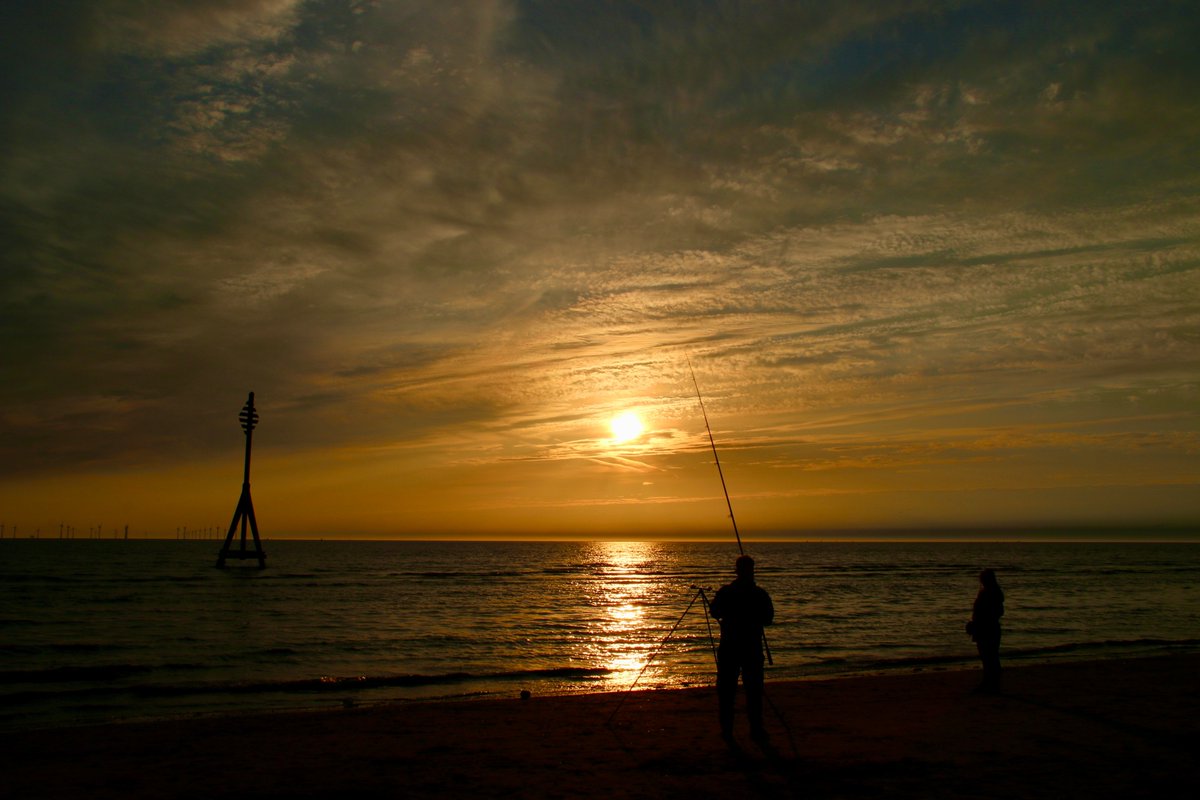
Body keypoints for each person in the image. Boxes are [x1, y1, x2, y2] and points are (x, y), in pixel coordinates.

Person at [708, 554, 774, 744]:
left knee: (727, 692)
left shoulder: (727, 592)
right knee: (753, 691)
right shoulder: (760, 594)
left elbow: (714, 612)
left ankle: (728, 731)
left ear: (737, 570)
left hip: (731, 648)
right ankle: (755, 729)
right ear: (752, 571)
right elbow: (768, 619)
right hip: (751, 648)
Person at [968, 568, 1004, 694]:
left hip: (986, 629)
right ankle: (991, 683)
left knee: (989, 657)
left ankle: (990, 684)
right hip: (988, 628)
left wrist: (977, 623)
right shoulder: (993, 593)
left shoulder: (989, 593)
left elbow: (995, 612)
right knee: (990, 657)